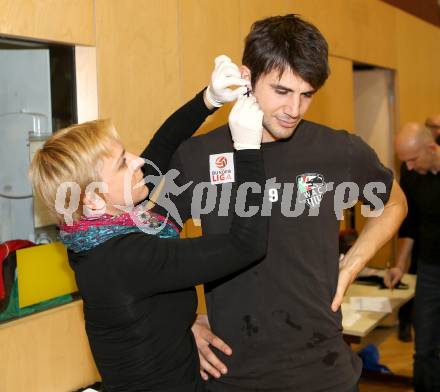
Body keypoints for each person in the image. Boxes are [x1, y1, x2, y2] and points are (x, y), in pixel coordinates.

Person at [168, 14, 407, 392]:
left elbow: (394, 204)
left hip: (325, 372)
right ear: (247, 78)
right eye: (281, 91)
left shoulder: (338, 150)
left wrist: (352, 264)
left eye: (306, 94)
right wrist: (183, 319)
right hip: (233, 377)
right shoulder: (197, 156)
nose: (294, 109)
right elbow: (148, 250)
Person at [29, 58, 269, 392]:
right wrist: (247, 148)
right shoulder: (126, 257)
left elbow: (162, 146)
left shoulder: (96, 235)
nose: (139, 161)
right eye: (123, 163)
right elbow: (247, 244)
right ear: (95, 200)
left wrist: (209, 99)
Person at [384, 122, 440, 391]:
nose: (408, 167)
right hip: (429, 267)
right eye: (403, 161)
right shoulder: (413, 175)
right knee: (425, 342)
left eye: (413, 159)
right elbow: (410, 224)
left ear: (432, 148)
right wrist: (400, 265)